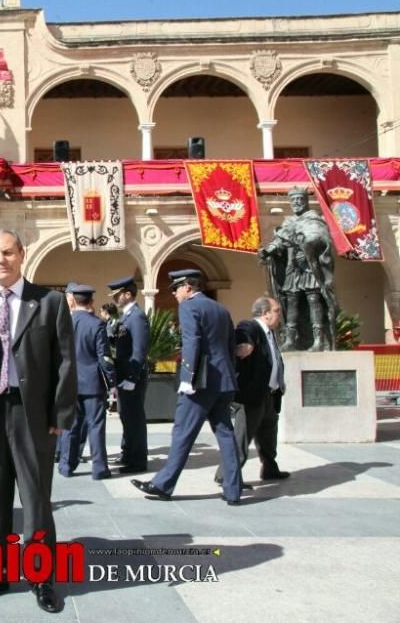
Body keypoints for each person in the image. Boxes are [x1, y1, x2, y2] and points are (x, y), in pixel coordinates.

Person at [0, 229, 75, 614]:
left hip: (33, 415)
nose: (1, 260)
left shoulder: (50, 302)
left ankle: (41, 577)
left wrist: (60, 412)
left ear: (21, 254)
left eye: (7, 252)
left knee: (36, 499)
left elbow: (66, 361)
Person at [132, 270, 243, 505]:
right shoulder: (220, 309)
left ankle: (163, 484)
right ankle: (233, 490)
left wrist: (188, 377)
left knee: (182, 433)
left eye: (176, 288)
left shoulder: (190, 307)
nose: (173, 293)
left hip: (200, 383)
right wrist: (230, 375)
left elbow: (191, 341)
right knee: (225, 434)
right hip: (223, 381)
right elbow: (231, 345)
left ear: (188, 288)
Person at [214, 297, 290, 484]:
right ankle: (225, 475)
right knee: (242, 438)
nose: (280, 315)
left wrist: (279, 381)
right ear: (265, 313)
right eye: (277, 311)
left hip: (269, 394)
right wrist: (247, 343)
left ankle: (270, 469)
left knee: (268, 434)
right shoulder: (252, 327)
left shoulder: (270, 333)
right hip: (251, 396)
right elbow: (243, 331)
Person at [259, 186, 338, 351]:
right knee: (292, 301)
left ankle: (319, 340)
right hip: (292, 268)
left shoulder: (313, 219)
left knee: (313, 299)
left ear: (306, 201)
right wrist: (268, 250)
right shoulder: (289, 222)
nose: (296, 203)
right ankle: (290, 339)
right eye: (293, 200)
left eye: (300, 199)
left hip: (309, 266)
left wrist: (306, 243)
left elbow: (319, 237)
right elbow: (279, 240)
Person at [57, 284, 114, 480]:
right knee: (96, 426)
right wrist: (112, 381)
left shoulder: (65, 323)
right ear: (91, 302)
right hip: (92, 384)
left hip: (70, 382)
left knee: (70, 426)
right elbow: (104, 357)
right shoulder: (97, 324)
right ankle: (99, 468)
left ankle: (66, 465)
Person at [106, 276, 149, 474]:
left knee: (135, 418)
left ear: (128, 294)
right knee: (126, 416)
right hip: (124, 375)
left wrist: (132, 378)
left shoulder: (137, 317)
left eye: (117, 295)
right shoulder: (126, 317)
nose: (115, 299)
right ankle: (128, 454)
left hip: (132, 377)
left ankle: (137, 460)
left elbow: (139, 350)